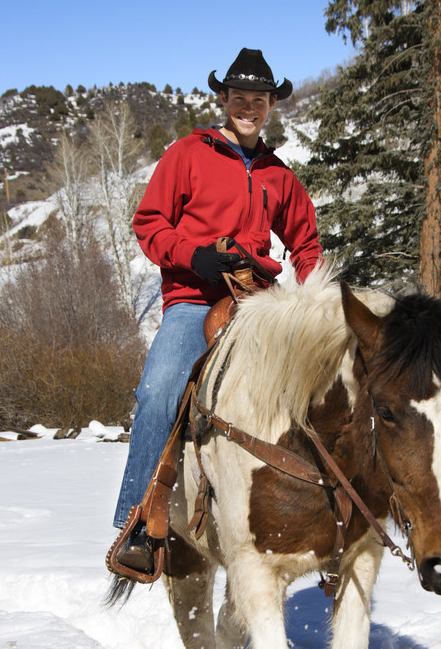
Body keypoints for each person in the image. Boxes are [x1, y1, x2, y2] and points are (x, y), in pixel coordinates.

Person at [111, 48, 323, 569]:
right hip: (194, 298)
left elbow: (307, 245)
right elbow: (150, 224)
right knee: (159, 389)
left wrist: (316, 299)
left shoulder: (280, 175)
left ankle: (329, 517)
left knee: (319, 385)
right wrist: (194, 256)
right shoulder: (187, 153)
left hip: (259, 301)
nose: (248, 107)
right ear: (224, 100)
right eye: (239, 98)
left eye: (259, 99)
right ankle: (142, 520)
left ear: (271, 105)